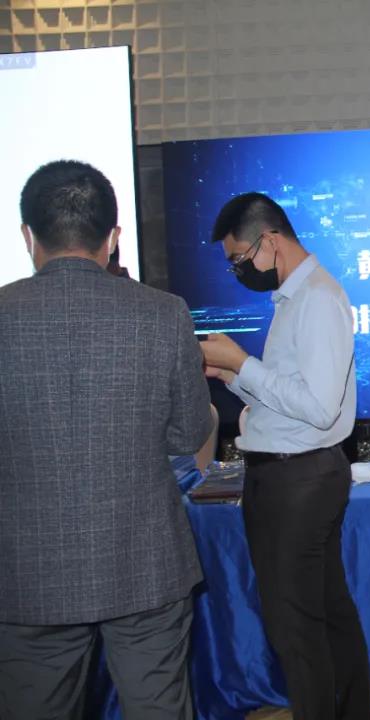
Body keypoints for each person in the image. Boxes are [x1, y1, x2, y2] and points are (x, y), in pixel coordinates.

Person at [0, 160, 214, 719]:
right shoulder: (164, 313)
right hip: (145, 560)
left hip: (27, 569)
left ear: (27, 235)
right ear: (114, 237)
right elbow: (189, 432)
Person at [199, 193, 370, 720]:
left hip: (297, 480)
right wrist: (233, 375)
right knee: (324, 614)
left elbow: (319, 409)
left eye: (239, 258)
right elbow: (290, 400)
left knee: (295, 629)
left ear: (269, 241)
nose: (238, 270)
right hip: (295, 473)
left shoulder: (316, 298)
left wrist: (242, 362)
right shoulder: (295, 297)